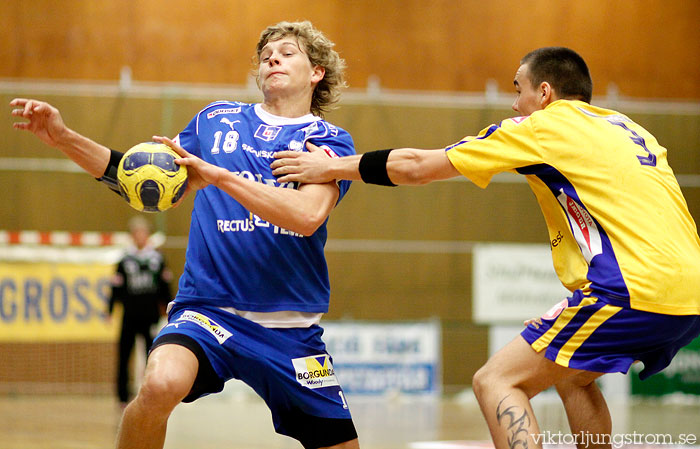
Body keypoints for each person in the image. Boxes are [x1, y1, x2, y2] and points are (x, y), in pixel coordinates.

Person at [271, 47, 700, 449]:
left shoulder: (543, 126)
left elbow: (418, 168)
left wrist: (329, 166)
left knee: (496, 381)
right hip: (689, 292)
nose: (514, 104)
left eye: (519, 89)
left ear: (545, 92)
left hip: (632, 288)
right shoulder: (626, 127)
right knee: (573, 376)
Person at [11, 20, 360, 449]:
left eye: (287, 52)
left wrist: (220, 177)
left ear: (316, 72)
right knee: (159, 384)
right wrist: (63, 138)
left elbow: (306, 216)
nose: (272, 57)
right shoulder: (216, 121)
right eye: (266, 53)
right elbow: (139, 178)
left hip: (289, 327)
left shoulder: (328, 141)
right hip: (207, 313)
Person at [109, 215, 172, 406]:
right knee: (124, 355)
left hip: (150, 315)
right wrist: (110, 309)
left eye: (143, 233)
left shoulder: (157, 259)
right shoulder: (124, 260)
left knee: (151, 355)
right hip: (130, 315)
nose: (139, 237)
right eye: (136, 233)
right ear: (131, 236)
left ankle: (149, 392)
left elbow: (165, 287)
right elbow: (116, 287)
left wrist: (170, 310)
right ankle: (122, 396)